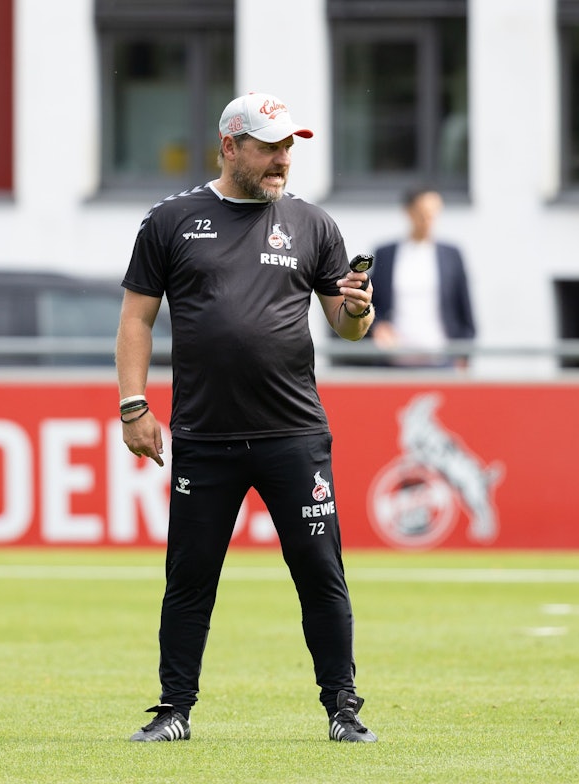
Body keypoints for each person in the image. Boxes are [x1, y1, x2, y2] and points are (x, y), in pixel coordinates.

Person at [115, 92, 378, 744]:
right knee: (189, 579)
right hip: (204, 437)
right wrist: (133, 404)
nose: (281, 159)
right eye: (268, 146)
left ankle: (343, 710)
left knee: (320, 574)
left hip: (294, 435)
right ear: (229, 146)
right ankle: (173, 711)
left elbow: (347, 330)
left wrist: (356, 307)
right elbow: (135, 319)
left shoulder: (313, 225)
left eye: (289, 146)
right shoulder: (171, 220)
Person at [370, 187, 476, 368]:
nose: (429, 220)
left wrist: (464, 355)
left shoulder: (451, 255)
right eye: (423, 213)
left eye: (434, 213)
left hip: (442, 361)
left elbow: (464, 308)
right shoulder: (386, 254)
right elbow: (372, 303)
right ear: (408, 212)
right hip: (394, 361)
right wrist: (378, 327)